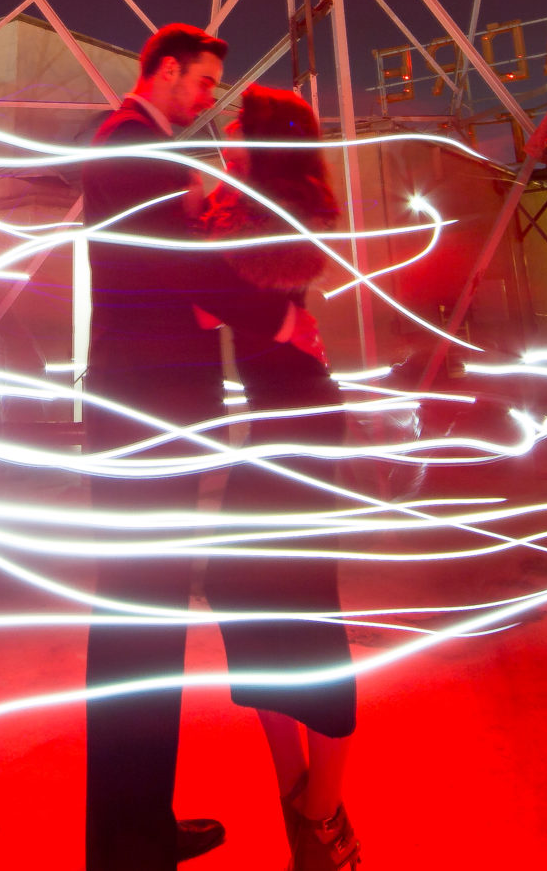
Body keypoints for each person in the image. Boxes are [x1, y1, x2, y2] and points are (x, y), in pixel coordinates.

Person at [194, 85, 363, 871]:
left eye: (237, 125)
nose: (223, 131)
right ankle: (301, 802)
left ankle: (321, 807)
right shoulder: (239, 207)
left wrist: (199, 227)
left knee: (302, 608)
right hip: (275, 421)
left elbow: (220, 293)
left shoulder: (281, 212)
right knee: (239, 589)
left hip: (299, 422)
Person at [80, 23, 233, 870]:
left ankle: (136, 825)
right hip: (148, 410)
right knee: (141, 621)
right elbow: (181, 270)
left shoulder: (135, 147)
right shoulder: (132, 143)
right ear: (166, 71)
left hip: (146, 405)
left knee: (143, 621)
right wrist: (268, 303)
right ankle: (129, 842)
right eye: (205, 82)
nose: (211, 99)